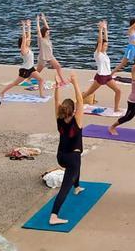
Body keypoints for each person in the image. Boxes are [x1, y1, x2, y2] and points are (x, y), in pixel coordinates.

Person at [48, 74, 86, 225]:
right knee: (64, 188)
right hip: (72, 159)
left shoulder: (59, 118)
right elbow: (80, 100)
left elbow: (56, 101)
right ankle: (54, 215)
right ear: (74, 111)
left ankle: (76, 187)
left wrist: (57, 86)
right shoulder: (77, 120)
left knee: (78, 160)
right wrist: (75, 82)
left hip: (61, 156)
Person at [83, 20, 122, 113]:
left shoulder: (104, 53)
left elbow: (105, 40)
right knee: (89, 93)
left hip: (108, 77)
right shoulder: (97, 54)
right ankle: (76, 103)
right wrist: (100, 30)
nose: (106, 47)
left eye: (106, 45)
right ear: (100, 46)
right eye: (105, 46)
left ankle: (116, 108)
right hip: (100, 77)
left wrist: (105, 29)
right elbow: (100, 42)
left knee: (118, 91)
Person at [0, 20, 45, 99]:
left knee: (41, 79)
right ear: (23, 43)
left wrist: (29, 26)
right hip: (25, 71)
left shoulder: (28, 47)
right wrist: (23, 27)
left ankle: (41, 95)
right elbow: (24, 37)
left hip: (31, 69)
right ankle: (2, 92)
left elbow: (28, 36)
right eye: (26, 40)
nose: (28, 39)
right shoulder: (23, 49)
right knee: (15, 83)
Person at [111, 3, 135, 76]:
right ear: (133, 24)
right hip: (131, 48)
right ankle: (111, 74)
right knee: (123, 64)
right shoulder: (130, 29)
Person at [35, 12, 65, 87]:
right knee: (37, 72)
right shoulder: (41, 39)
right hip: (43, 58)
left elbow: (47, 28)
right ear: (44, 33)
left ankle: (62, 80)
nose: (48, 33)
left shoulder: (47, 38)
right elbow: (38, 31)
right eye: (47, 32)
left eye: (48, 32)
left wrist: (44, 19)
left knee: (58, 66)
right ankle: (27, 79)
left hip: (50, 56)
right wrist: (37, 21)